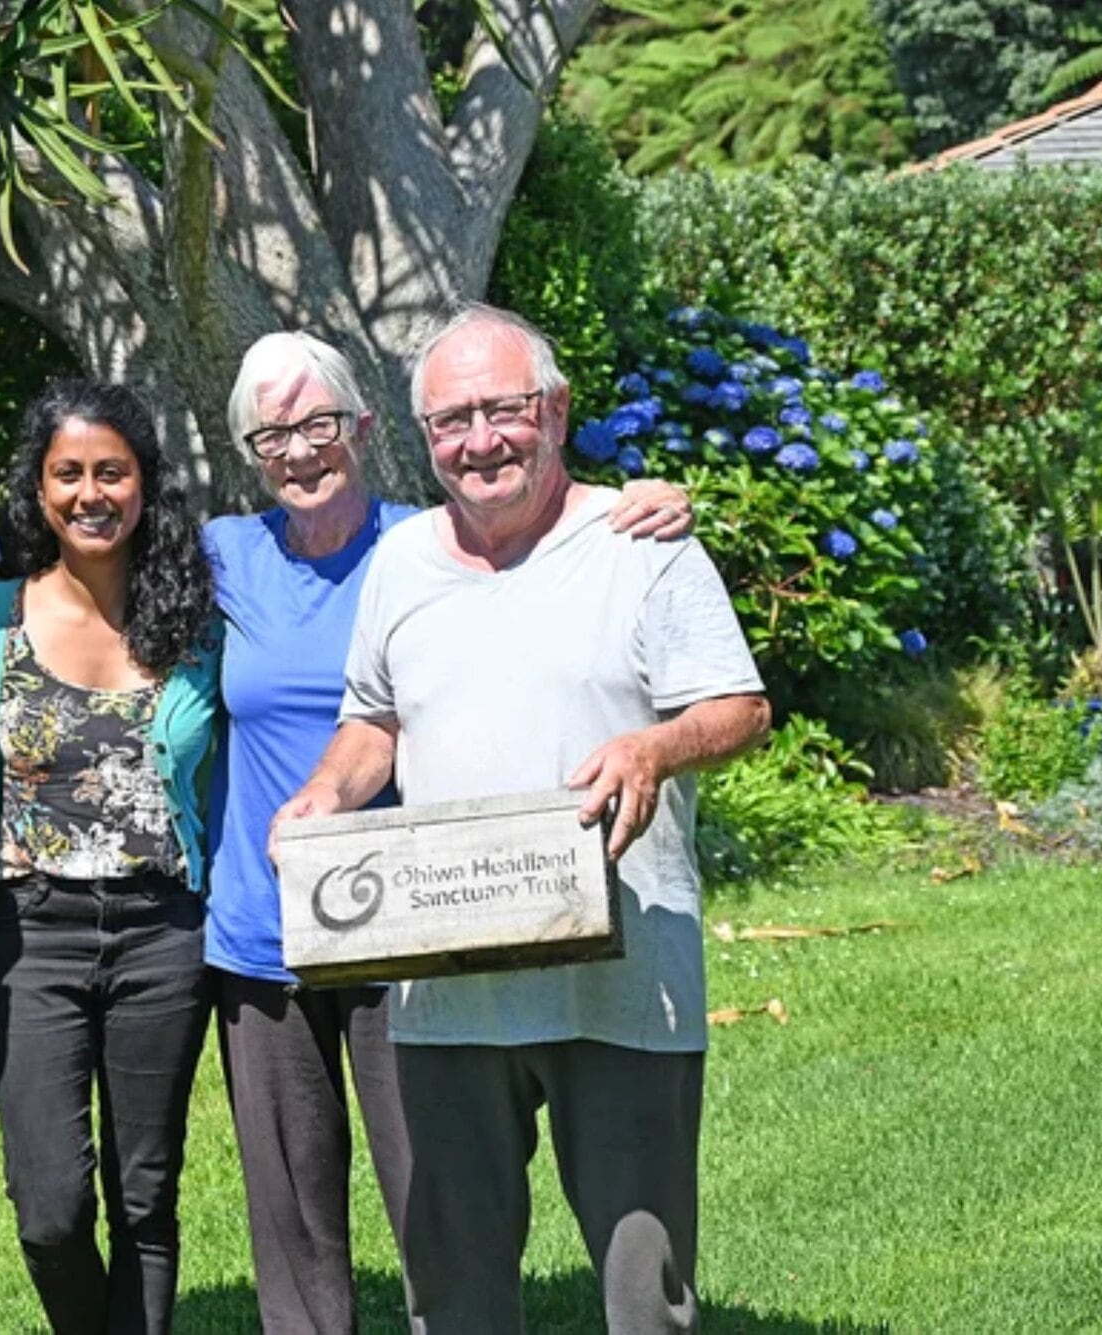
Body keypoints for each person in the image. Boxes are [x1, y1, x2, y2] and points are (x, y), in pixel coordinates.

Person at [274, 304, 770, 1333]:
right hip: (448, 984)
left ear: (553, 409)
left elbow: (739, 708)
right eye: (451, 420)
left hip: (620, 980)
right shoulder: (402, 562)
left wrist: (652, 747)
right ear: (422, 437)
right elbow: (373, 720)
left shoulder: (640, 543)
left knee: (645, 1293)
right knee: (451, 1290)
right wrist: (324, 793)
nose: (479, 440)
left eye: (501, 410)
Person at [0, 380, 220, 1335]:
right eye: (67, 473)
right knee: (51, 1206)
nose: (90, 492)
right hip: (28, 936)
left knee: (146, 1193)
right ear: (37, 491)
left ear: (146, 485)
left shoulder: (195, 624)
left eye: (112, 471)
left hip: (163, 931)